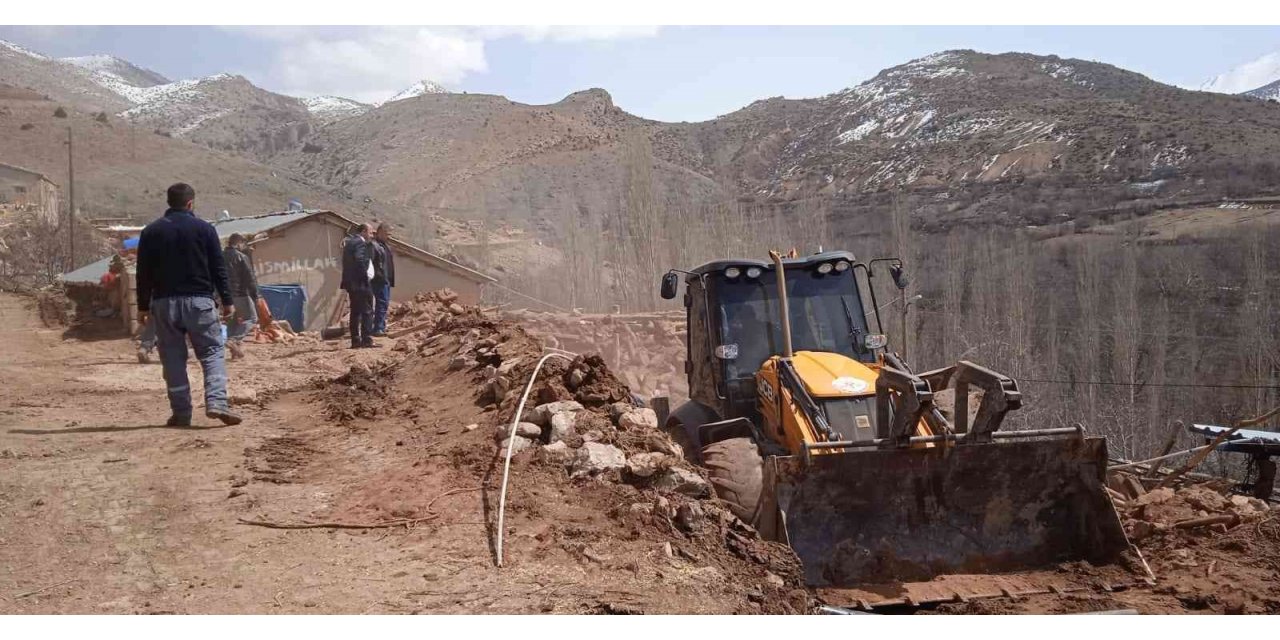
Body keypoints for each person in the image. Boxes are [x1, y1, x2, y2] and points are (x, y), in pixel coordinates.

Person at [135, 183, 242, 427]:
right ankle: (216, 402)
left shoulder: (151, 232)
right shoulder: (205, 229)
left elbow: (143, 273)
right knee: (212, 351)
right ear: (191, 203)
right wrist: (227, 301)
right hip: (200, 303)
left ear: (169, 202)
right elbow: (218, 269)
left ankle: (181, 413)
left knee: (172, 358)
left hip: (164, 304)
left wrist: (142, 307)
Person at [222, 233, 260, 360]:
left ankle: (235, 352)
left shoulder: (220, 257)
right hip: (240, 294)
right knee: (252, 318)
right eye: (243, 243)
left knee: (232, 322)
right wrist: (256, 295)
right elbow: (250, 277)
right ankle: (234, 340)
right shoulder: (241, 257)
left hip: (225, 296)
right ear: (238, 243)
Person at [341, 223, 377, 349]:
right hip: (360, 283)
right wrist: (365, 277)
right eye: (370, 232)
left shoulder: (350, 243)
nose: (372, 235)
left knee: (355, 312)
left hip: (352, 284)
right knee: (367, 311)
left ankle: (355, 340)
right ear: (363, 232)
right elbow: (359, 260)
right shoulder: (359, 243)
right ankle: (366, 339)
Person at [370, 223, 396, 337]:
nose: (388, 237)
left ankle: (382, 326)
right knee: (381, 303)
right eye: (387, 234)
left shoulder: (386, 246)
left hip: (386, 279)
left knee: (384, 304)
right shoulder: (374, 245)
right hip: (379, 279)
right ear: (380, 232)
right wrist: (378, 275)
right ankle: (378, 328)